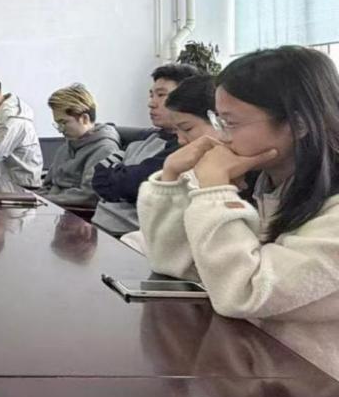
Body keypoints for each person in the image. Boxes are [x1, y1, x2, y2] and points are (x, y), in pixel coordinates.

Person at [138, 46, 339, 321]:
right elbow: (176, 264)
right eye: (218, 121)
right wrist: (171, 176)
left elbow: (244, 294)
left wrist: (215, 191)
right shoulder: (267, 186)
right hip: (249, 344)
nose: (222, 138)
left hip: (289, 351)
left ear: (298, 124)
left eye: (230, 123)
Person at [90, 63, 199, 235]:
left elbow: (135, 186)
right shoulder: (146, 138)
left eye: (161, 95)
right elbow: (98, 176)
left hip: (129, 236)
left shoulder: (181, 146)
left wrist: (118, 176)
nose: (151, 103)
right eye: (151, 95)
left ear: (185, 98)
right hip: (99, 227)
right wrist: (120, 180)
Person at [39, 84, 120, 208]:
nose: (60, 129)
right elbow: (47, 186)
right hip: (53, 208)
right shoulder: (66, 147)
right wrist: (31, 198)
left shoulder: (105, 150)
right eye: (57, 124)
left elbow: (88, 196)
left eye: (63, 122)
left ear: (84, 119)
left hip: (75, 214)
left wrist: (42, 200)